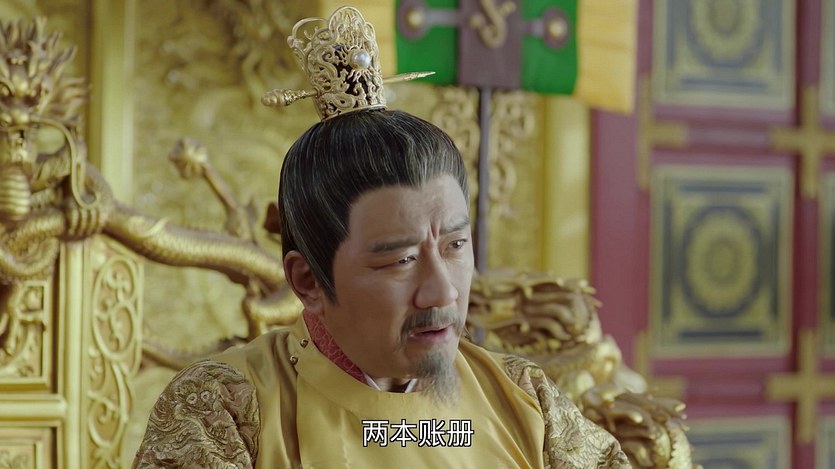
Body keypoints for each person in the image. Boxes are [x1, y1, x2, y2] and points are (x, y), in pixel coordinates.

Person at [133, 6, 629, 468]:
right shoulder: (225, 411)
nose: (443, 292)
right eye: (401, 260)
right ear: (308, 281)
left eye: (455, 246)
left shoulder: (524, 400)